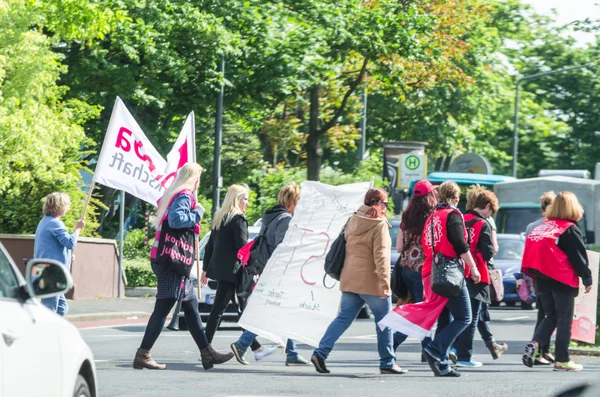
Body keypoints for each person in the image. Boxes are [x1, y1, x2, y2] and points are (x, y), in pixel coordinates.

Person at [133, 163, 233, 371]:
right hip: (172, 262)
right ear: (195, 179)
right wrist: (197, 213)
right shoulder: (185, 196)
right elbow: (177, 220)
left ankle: (207, 353)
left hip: (170, 260)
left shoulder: (175, 194)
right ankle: (143, 353)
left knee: (191, 306)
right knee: (163, 307)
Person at [311, 188, 406, 375]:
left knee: (343, 318)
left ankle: (320, 352)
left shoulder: (352, 219)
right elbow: (381, 257)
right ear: (377, 204)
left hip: (349, 278)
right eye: (384, 203)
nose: (385, 206)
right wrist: (385, 284)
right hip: (371, 281)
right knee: (385, 321)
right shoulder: (378, 224)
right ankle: (387, 362)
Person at [230, 182, 310, 366]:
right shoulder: (285, 219)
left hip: (270, 270)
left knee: (283, 311)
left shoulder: (271, 217)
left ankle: (291, 353)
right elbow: (283, 247)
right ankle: (243, 344)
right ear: (293, 202)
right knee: (270, 312)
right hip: (280, 272)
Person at [203, 184, 278, 362]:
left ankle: (256, 348)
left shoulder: (219, 218)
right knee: (224, 311)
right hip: (234, 271)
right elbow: (242, 248)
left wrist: (206, 269)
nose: (248, 202)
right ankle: (205, 348)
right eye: (245, 198)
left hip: (221, 270)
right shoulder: (238, 220)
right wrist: (256, 265)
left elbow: (210, 247)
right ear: (237, 199)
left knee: (238, 310)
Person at [521, 191, 593, 372]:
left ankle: (536, 343)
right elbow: (578, 257)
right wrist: (587, 277)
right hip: (561, 279)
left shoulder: (543, 227)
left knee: (550, 316)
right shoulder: (569, 228)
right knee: (564, 320)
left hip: (541, 279)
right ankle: (562, 360)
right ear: (573, 207)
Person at [451, 185, 507, 368]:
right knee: (472, 317)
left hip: (457, 271)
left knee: (457, 316)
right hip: (477, 274)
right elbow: (489, 251)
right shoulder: (482, 224)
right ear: (487, 206)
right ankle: (464, 356)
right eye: (491, 211)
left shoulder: (459, 219)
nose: (490, 215)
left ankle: (451, 348)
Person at [392, 180, 438, 351]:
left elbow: (398, 247)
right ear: (430, 195)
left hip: (406, 269)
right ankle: (426, 349)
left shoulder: (406, 215)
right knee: (424, 312)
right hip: (423, 271)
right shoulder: (433, 216)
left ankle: (427, 349)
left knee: (419, 310)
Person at [34, 192, 85, 317]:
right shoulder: (55, 223)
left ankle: (54, 333)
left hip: (44, 270)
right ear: (61, 207)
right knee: (49, 310)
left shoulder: (45, 221)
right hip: (52, 272)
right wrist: (78, 229)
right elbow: (69, 243)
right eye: (66, 205)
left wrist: (68, 255)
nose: (67, 208)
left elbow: (53, 246)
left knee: (61, 308)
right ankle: (46, 334)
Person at [522, 191, 556, 365]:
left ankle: (544, 349)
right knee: (549, 315)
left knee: (544, 313)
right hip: (552, 275)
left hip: (536, 275)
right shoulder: (556, 226)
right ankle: (539, 349)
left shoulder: (531, 226)